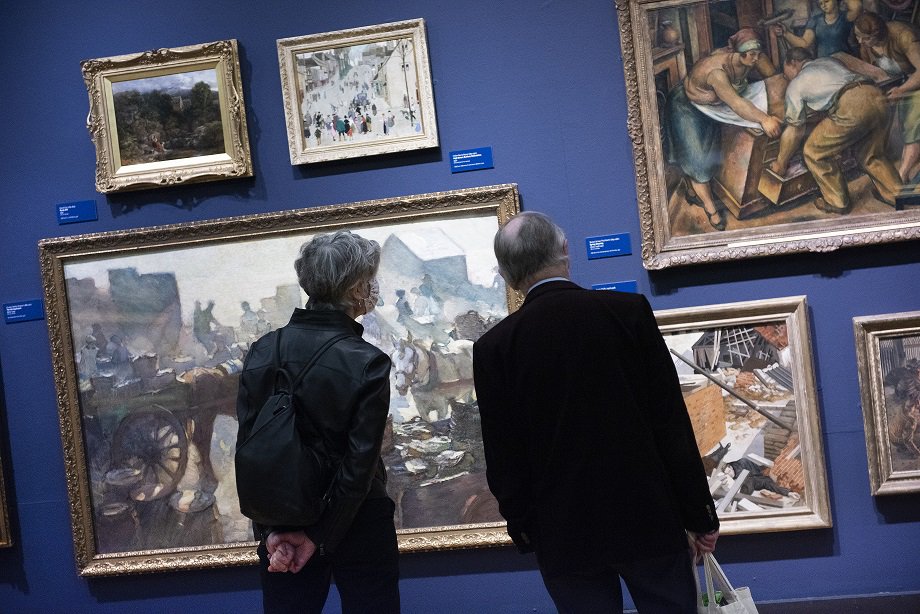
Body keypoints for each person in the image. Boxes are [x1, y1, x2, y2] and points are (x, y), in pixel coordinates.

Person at [473, 212, 719, 613]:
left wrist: (524, 528)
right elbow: (670, 423)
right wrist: (700, 515)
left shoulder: (495, 348)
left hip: (563, 531)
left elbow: (503, 455)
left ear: (507, 275)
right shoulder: (627, 313)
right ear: (565, 251)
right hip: (648, 517)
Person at [236, 230, 399, 613]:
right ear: (358, 286)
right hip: (358, 524)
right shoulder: (367, 362)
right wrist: (318, 536)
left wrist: (276, 532)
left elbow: (250, 453)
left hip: (283, 528)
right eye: (370, 278)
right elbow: (358, 468)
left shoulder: (263, 350)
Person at [665, 28, 782, 231]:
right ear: (738, 53)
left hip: (711, 109)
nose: (756, 59)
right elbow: (737, 104)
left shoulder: (750, 58)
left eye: (757, 53)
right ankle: (711, 209)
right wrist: (764, 119)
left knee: (710, 152)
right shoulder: (717, 73)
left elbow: (772, 77)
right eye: (752, 55)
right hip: (686, 108)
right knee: (698, 161)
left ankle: (693, 190)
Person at [770, 46, 900, 213]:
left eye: (784, 71)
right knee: (871, 154)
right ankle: (898, 195)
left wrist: (781, 163)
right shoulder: (829, 61)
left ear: (793, 63)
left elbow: (795, 129)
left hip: (852, 104)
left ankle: (837, 201)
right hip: (877, 96)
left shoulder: (796, 84)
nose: (784, 76)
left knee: (813, 151)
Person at [854, 12, 920, 184]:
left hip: (914, 82)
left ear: (876, 35)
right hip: (896, 83)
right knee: (875, 111)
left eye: (864, 38)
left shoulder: (904, 36)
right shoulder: (866, 44)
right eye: (857, 36)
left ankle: (903, 172)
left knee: (912, 120)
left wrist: (902, 90)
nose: (860, 41)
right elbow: (870, 68)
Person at [773, 0, 854, 57]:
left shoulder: (846, 17)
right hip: (824, 62)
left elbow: (858, 6)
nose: (823, 5)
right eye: (821, 3)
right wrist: (785, 33)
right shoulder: (815, 20)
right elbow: (804, 43)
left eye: (826, 1)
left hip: (845, 60)